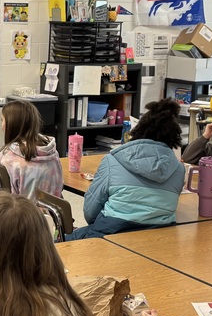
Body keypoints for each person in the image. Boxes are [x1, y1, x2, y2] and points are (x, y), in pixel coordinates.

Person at [71, 98, 184, 239]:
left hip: (112, 230)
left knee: (61, 243)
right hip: (160, 237)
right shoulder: (179, 169)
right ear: (174, 137)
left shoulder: (112, 160)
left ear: (138, 129)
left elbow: (90, 210)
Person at [0, 99, 64, 199]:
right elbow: (60, 185)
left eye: (2, 120)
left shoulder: (7, 158)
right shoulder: (52, 152)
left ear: (11, 124)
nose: (1, 126)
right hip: (52, 212)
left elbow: (0, 195)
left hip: (20, 212)